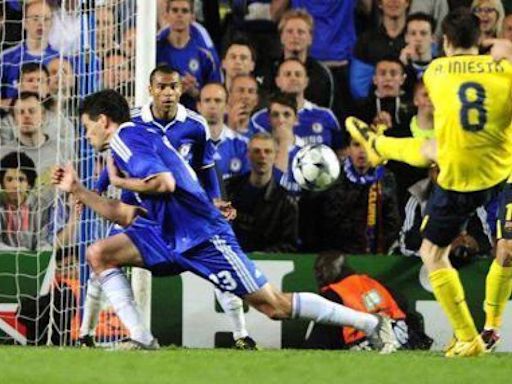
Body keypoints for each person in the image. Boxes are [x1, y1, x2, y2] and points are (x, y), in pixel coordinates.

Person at [53, 88, 399, 353]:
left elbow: (164, 183)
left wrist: (118, 183)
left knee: (273, 306)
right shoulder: (133, 141)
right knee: (100, 253)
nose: (87, 136)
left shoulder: (126, 139)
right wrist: (80, 191)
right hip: (166, 234)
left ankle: (371, 324)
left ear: (102, 121)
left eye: (87, 127)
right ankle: (141, 338)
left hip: (204, 237)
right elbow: (126, 214)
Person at [347, 8, 512, 357]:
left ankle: (475, 332)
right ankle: (480, 333)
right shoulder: (504, 71)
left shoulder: (437, 72)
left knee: (431, 252)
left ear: (446, 42)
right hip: (499, 172)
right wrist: (501, 48)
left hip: (456, 176)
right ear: (482, 35)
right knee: (507, 252)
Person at [83, 67, 257, 350]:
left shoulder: (196, 125)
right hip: (136, 208)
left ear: (180, 90)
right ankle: (84, 334)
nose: (167, 93)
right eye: (161, 87)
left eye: (173, 87)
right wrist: (98, 189)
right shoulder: (133, 121)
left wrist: (214, 199)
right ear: (150, 89)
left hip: (180, 211)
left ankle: (241, 334)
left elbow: (205, 167)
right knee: (100, 258)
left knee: (218, 270)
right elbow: (115, 156)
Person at [303, 251, 433, 350]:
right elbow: (403, 303)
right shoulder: (373, 282)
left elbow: (317, 343)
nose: (319, 277)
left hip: (365, 346)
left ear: (330, 271)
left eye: (320, 272)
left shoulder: (332, 294)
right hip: (401, 339)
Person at [225, 133, 298, 253]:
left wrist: (264, 256)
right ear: (248, 155)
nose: (262, 156)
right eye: (256, 151)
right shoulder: (228, 189)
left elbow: (289, 245)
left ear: (275, 156)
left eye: (267, 151)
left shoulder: (286, 201)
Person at [156, 0, 222, 110]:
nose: (179, 15)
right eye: (175, 10)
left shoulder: (204, 53)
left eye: (185, 11)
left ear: (192, 17)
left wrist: (194, 91)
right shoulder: (156, 49)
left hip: (195, 115)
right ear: (166, 15)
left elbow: (216, 91)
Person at [197, 83, 249, 181]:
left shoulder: (243, 145)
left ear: (226, 107)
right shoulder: (186, 144)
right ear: (199, 106)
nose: (212, 106)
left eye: (218, 101)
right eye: (207, 100)